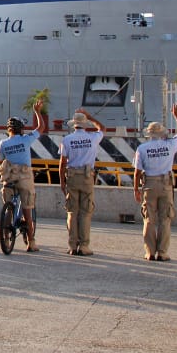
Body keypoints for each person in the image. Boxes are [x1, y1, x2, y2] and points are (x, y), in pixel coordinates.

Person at [133, 103, 177, 261]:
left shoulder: (142, 149)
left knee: (149, 219)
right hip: (166, 184)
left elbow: (137, 172)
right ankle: (162, 252)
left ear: (148, 134)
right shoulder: (169, 145)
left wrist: (136, 189)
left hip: (149, 184)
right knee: (165, 219)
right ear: (162, 133)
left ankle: (150, 252)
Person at [0, 99, 47, 252]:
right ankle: (31, 242)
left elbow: (0, 163)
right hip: (25, 178)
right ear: (20, 129)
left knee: (8, 209)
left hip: (9, 179)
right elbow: (41, 127)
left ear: (8, 129)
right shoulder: (26, 140)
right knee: (27, 210)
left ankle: (6, 237)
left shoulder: (2, 144)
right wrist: (37, 112)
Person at [58, 109, 105, 255]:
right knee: (85, 212)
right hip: (87, 177)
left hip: (72, 177)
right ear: (84, 124)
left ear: (73, 125)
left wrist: (62, 182)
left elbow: (62, 163)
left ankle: (72, 245)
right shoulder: (92, 137)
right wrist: (90, 116)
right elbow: (103, 128)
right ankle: (84, 246)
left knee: (72, 211)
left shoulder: (66, 140)